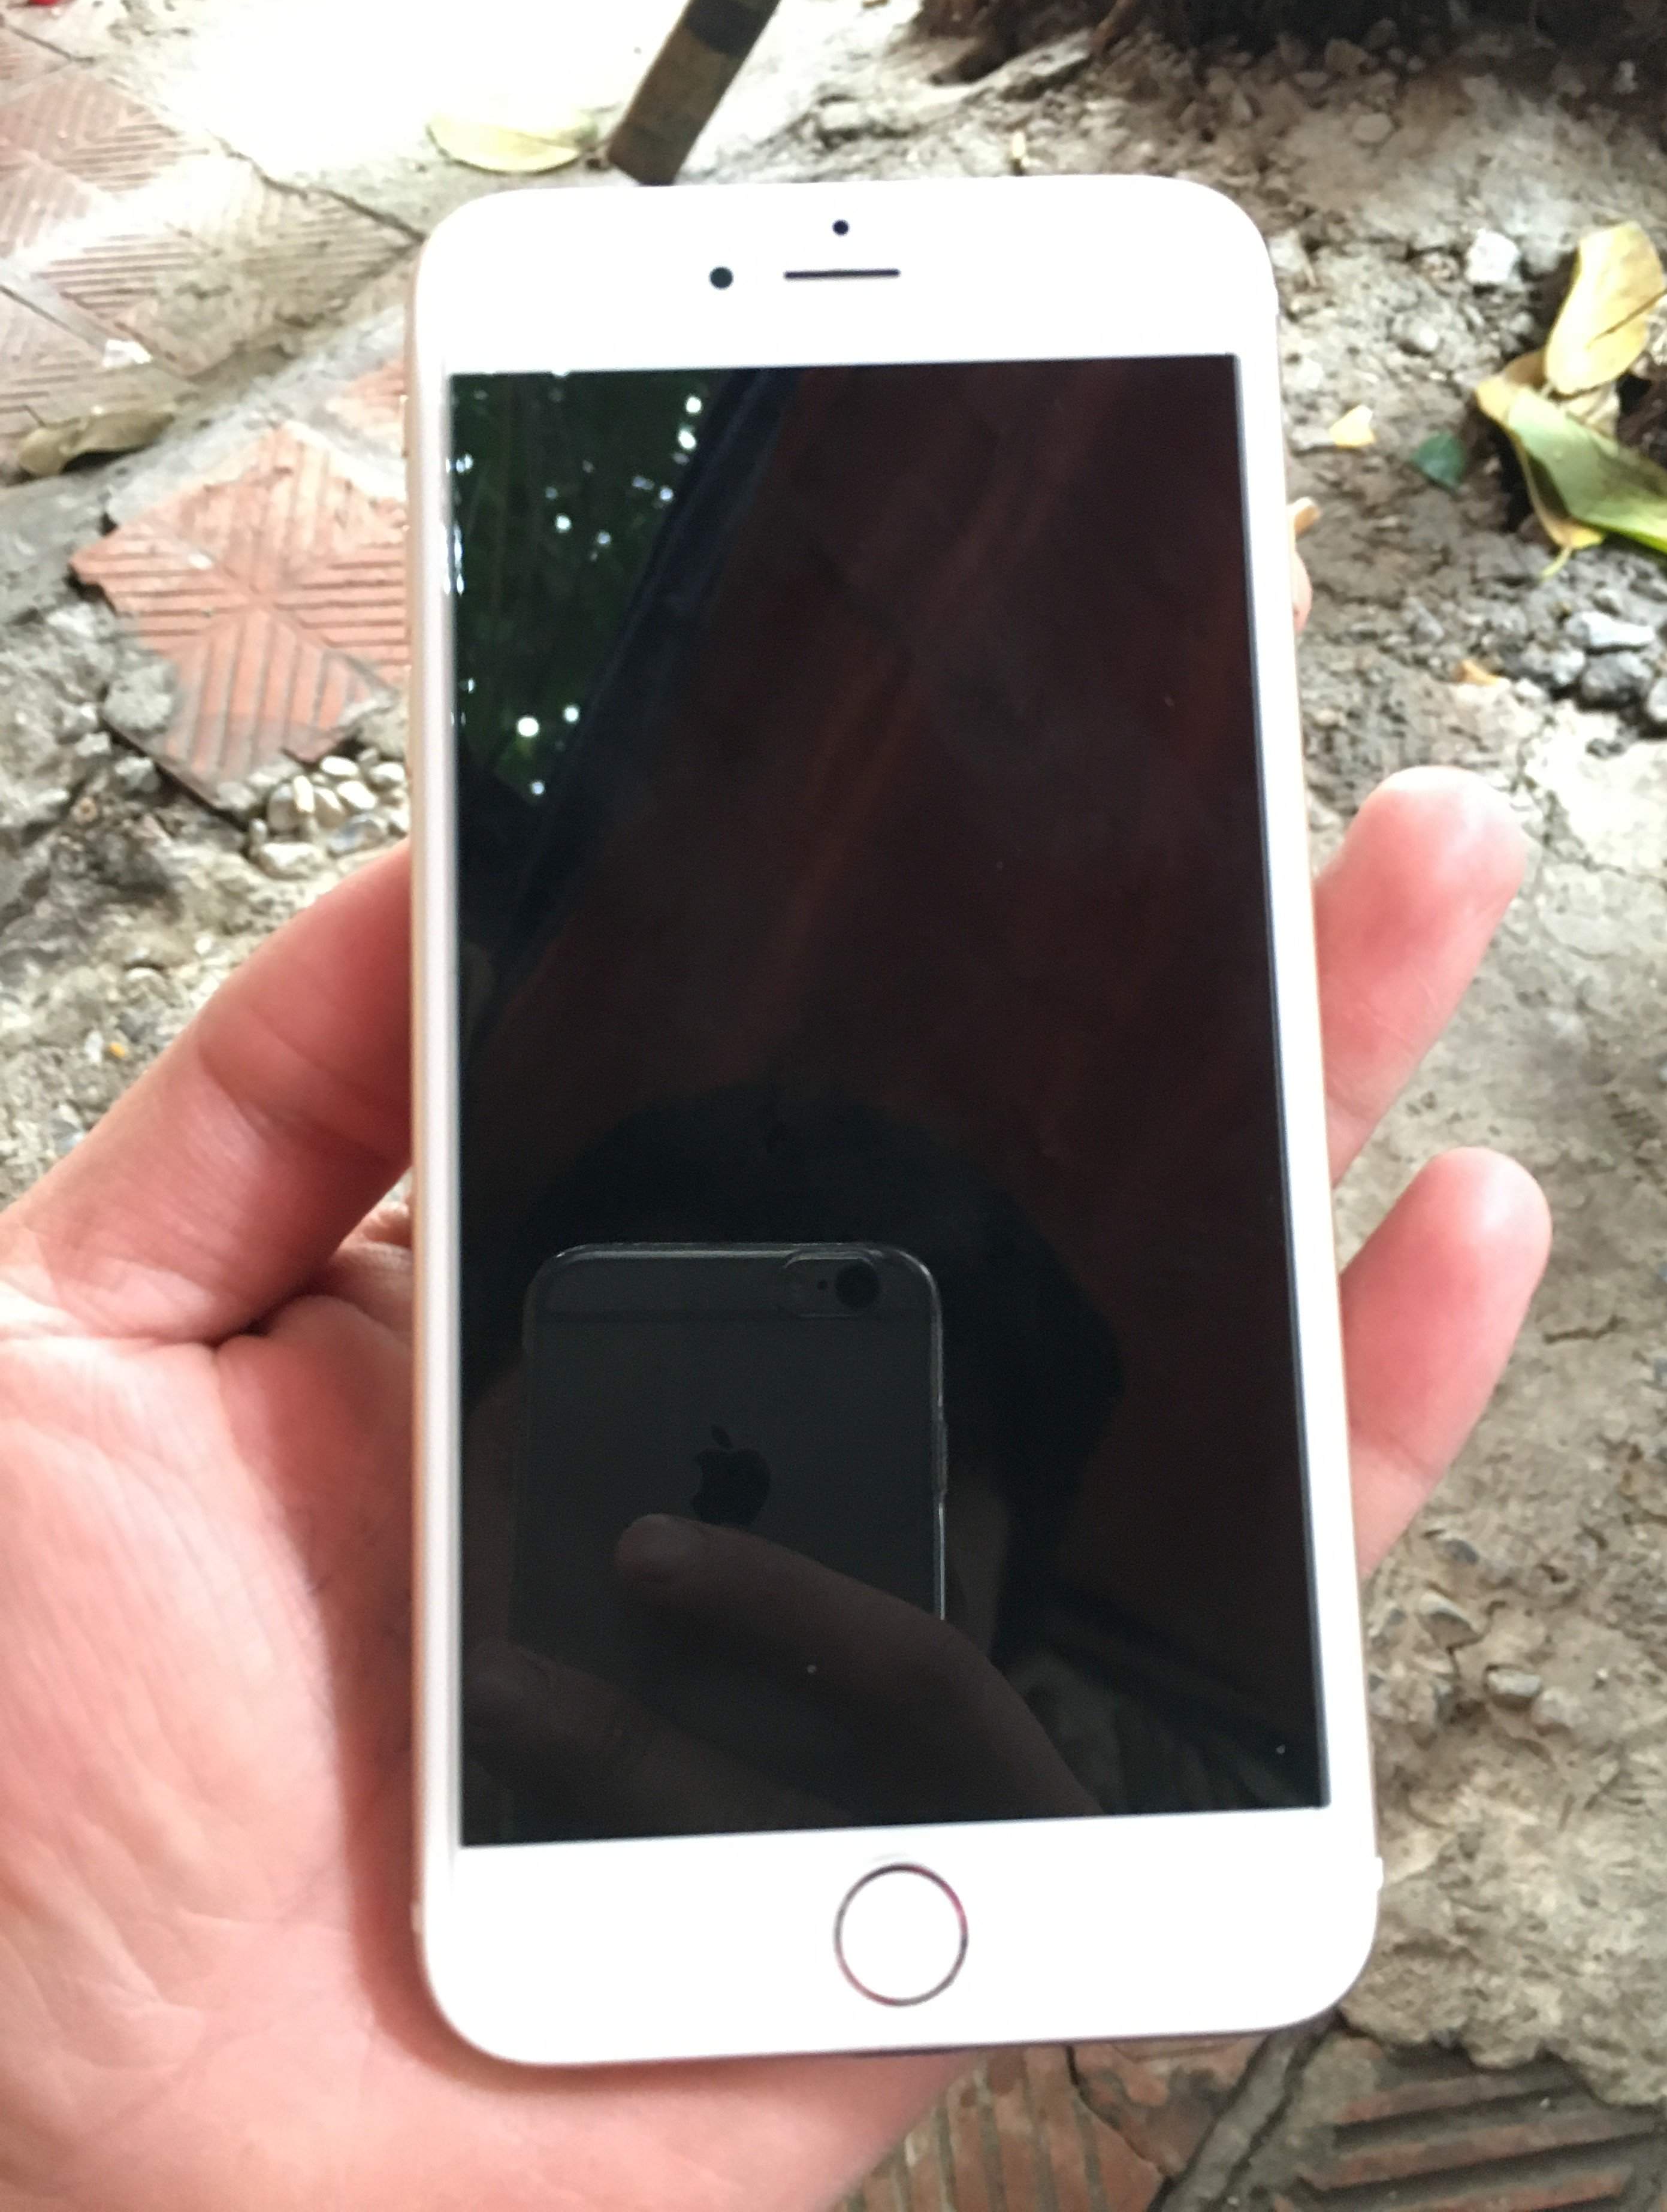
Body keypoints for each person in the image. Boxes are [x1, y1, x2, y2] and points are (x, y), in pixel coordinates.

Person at [0, 547, 1549, 2211]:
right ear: (464, 1421)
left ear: (1012, 1604)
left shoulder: (1095, 1817)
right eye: (643, 1410)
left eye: (876, 1463)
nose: (711, 1539)